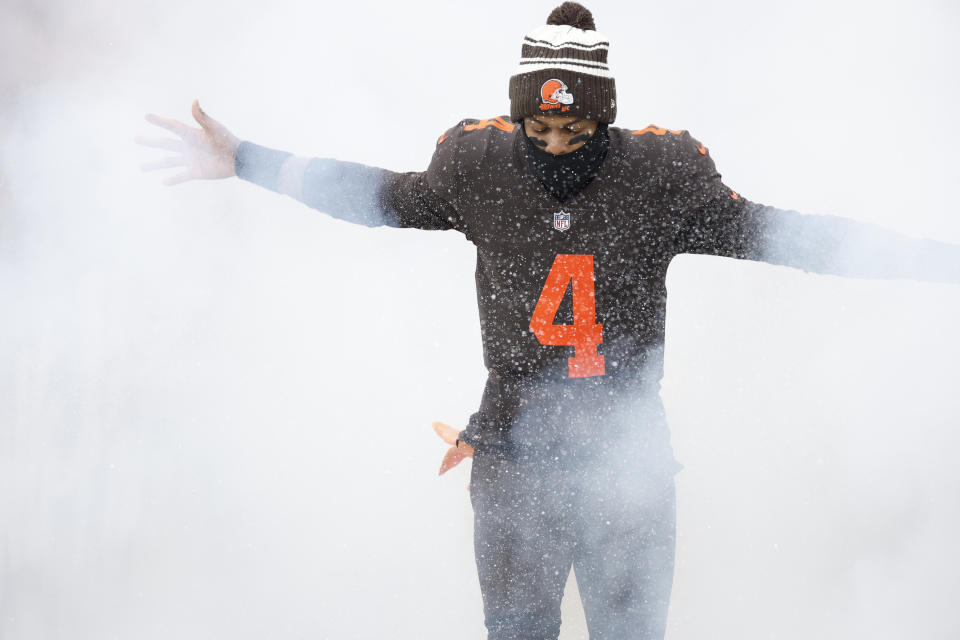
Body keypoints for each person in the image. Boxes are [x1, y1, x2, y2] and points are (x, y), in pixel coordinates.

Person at [138, 3, 959, 638]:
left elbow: (789, 236)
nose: (558, 143)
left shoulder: (660, 177)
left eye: (576, 127)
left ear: (605, 117)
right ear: (517, 118)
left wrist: (934, 259)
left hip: (627, 466)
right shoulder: (479, 165)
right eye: (540, 127)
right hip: (516, 463)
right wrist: (246, 160)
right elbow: (378, 198)